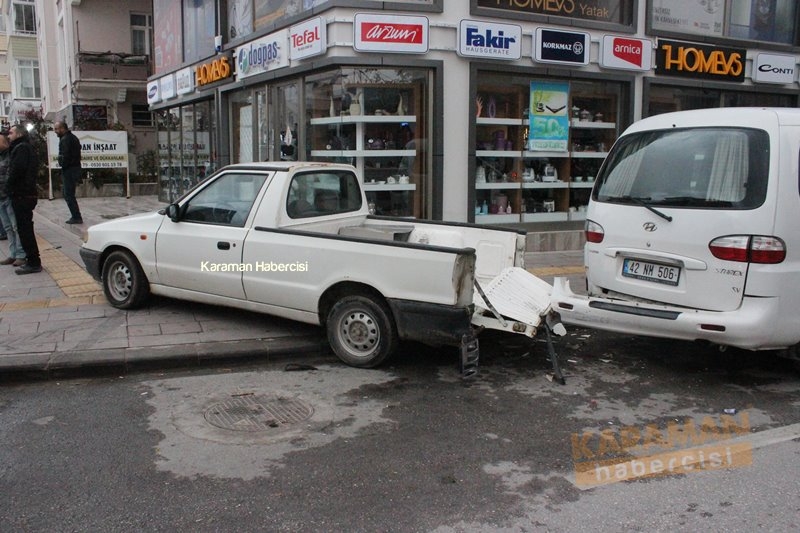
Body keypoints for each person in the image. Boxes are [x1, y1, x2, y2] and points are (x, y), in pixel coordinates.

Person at [7, 124, 41, 274]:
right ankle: (32, 259)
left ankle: (33, 262)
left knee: (25, 229)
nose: (8, 136)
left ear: (19, 134)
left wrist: (8, 187)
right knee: (24, 228)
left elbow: (17, 170)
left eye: (11, 133)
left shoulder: (21, 148)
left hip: (22, 194)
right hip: (25, 193)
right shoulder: (25, 147)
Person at [0, 132, 26, 266]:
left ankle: (21, 254)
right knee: (8, 227)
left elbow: (14, 174)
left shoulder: (12, 155)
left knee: (16, 227)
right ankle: (13, 254)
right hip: (0, 198)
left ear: (5, 142)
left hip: (10, 196)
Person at [54, 121, 83, 224]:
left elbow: (65, 156)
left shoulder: (66, 139)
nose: (55, 131)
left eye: (57, 129)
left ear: (62, 128)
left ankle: (76, 216)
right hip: (73, 168)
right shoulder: (72, 138)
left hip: (69, 169)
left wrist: (62, 163)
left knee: (68, 194)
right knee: (69, 193)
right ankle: (76, 215)